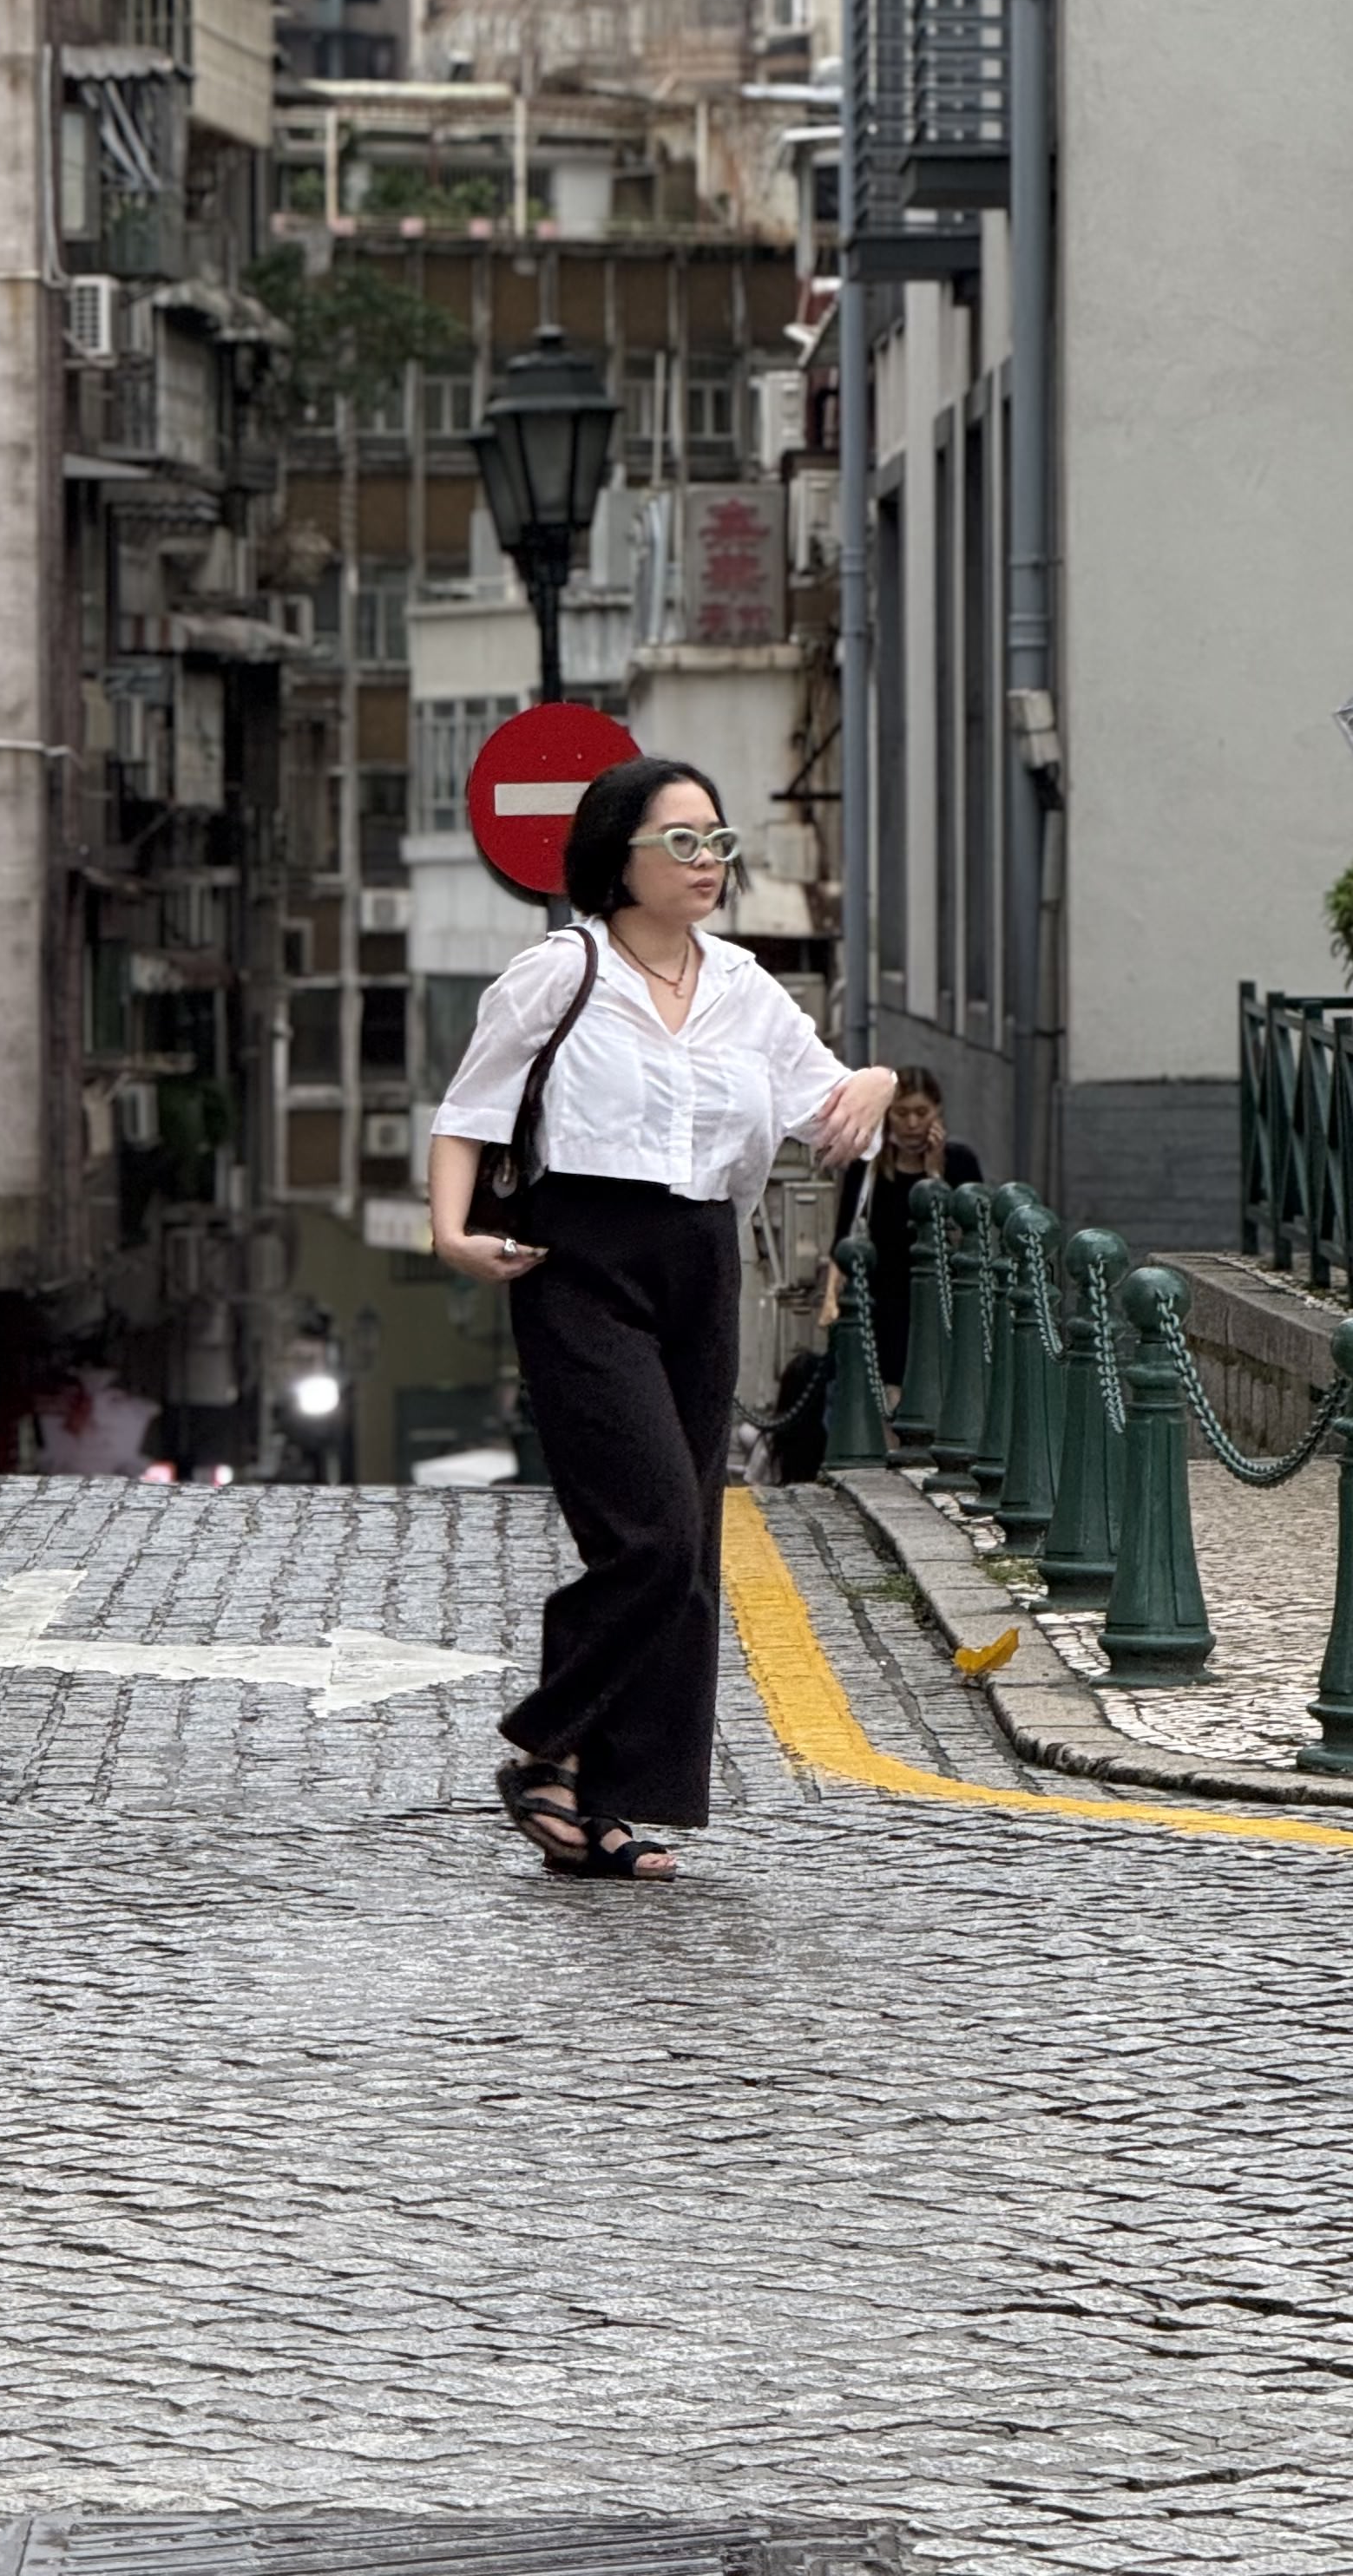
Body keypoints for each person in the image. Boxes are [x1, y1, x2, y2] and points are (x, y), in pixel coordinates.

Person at [426, 754, 897, 1882]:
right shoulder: (561, 972)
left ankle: (605, 1799)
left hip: (699, 1266)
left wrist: (876, 1080)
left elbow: (828, 1109)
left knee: (690, 1548)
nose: (707, 863)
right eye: (681, 841)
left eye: (718, 842)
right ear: (617, 856)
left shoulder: (743, 985)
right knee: (651, 1535)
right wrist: (451, 1234)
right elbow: (471, 1109)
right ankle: (545, 1747)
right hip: (577, 1262)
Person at [821, 1066, 985, 1389]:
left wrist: (935, 1175)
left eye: (921, 1112)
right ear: (887, 1115)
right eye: (902, 1113)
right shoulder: (867, 1167)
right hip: (880, 1305)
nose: (912, 1124)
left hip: (941, 1307)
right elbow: (845, 1237)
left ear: (937, 1111)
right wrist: (831, 1300)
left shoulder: (960, 1163)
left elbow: (969, 1239)